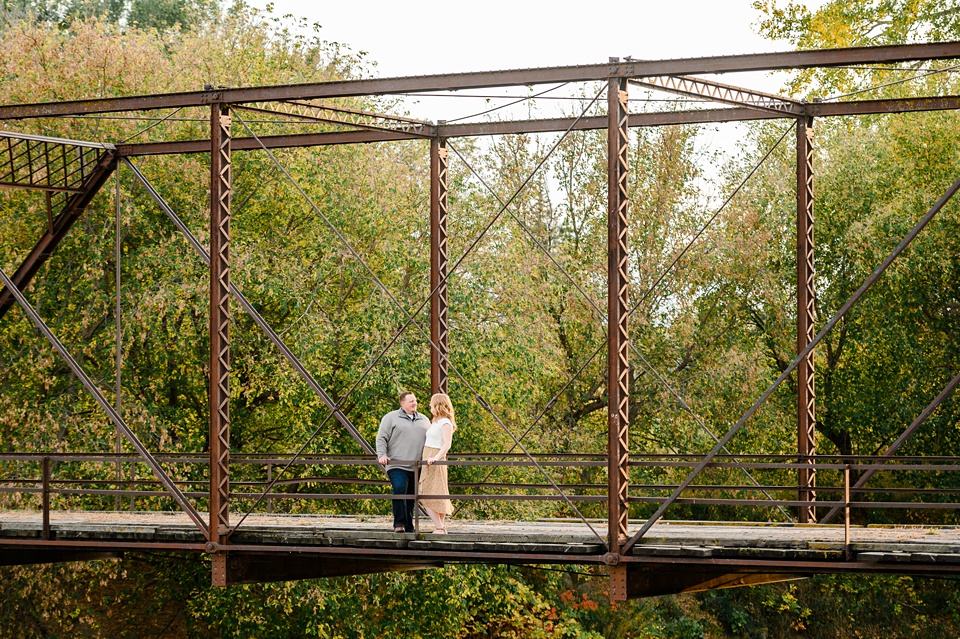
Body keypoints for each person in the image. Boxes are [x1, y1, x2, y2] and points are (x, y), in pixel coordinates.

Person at [376, 390, 428, 533]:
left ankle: (409, 525)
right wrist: (382, 455)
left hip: (416, 466)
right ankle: (399, 524)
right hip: (396, 464)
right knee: (399, 490)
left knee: (411, 497)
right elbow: (381, 438)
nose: (415, 403)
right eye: (411, 401)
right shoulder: (391, 418)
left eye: (415, 400)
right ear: (403, 403)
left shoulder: (423, 419)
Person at [419, 392, 457, 534]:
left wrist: (435, 457)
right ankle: (440, 527)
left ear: (437, 404)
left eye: (431, 403)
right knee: (432, 491)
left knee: (427, 493)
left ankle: (439, 527)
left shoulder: (445, 422)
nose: (429, 406)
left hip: (435, 458)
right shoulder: (435, 421)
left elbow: (447, 444)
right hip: (428, 456)